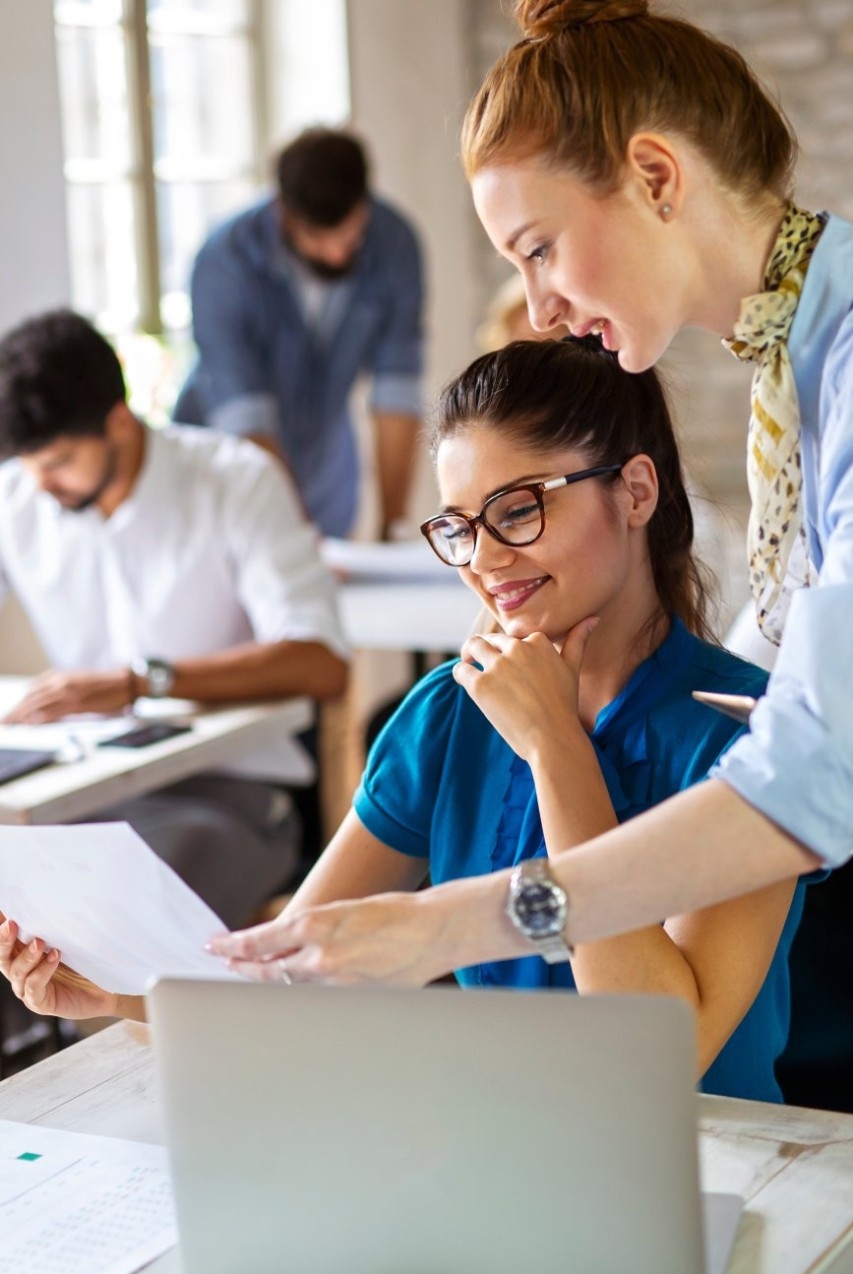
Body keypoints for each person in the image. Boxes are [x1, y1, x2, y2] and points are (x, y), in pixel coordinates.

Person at [195, 0, 853, 989]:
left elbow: (814, 768)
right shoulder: (795, 378)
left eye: (539, 247)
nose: (538, 307)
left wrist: (458, 922)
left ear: (655, 177)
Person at [1, 338, 813, 1103]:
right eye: (459, 528)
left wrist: (554, 747)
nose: (486, 561)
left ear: (635, 491)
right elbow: (292, 973)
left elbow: (661, 1057)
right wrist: (123, 992)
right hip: (504, 1151)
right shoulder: (447, 716)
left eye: (519, 510)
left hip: (713, 1166)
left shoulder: (750, 735)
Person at [0, 309, 348, 926]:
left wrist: (140, 681)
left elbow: (320, 664)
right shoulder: (19, 498)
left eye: (57, 462)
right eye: (29, 465)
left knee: (115, 914)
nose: (41, 484)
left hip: (228, 798)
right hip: (74, 799)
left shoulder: (234, 480)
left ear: (118, 421)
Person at [173, 126, 425, 540]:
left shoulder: (394, 242)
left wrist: (391, 526)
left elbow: (397, 390)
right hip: (228, 469)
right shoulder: (224, 261)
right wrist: (298, 540)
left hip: (327, 472)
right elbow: (246, 417)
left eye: (349, 233)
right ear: (282, 212)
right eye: (317, 237)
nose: (336, 251)